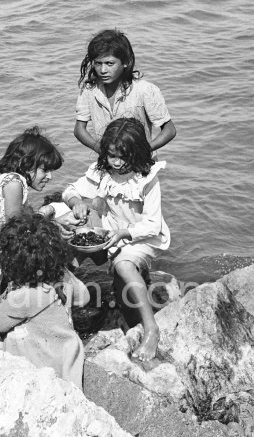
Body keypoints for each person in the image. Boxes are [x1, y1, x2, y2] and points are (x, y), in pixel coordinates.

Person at [62, 117, 170, 361]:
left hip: (141, 237)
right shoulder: (103, 172)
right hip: (111, 235)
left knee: (123, 266)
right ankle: (58, 306)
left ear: (137, 152)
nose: (117, 163)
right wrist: (77, 203)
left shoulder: (147, 178)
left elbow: (153, 224)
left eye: (123, 157)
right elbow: (70, 190)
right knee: (76, 242)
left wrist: (124, 233)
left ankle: (152, 329)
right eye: (111, 156)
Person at [0, 208, 89, 388]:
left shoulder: (24, 296)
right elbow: (85, 298)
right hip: (67, 351)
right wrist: (63, 270)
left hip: (42, 361)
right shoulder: (62, 276)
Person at [74, 29, 176, 154]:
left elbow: (169, 129)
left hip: (141, 165)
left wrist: (143, 151)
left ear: (125, 62)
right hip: (108, 163)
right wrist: (101, 149)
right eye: (98, 63)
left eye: (109, 63)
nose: (103, 70)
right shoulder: (89, 91)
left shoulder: (144, 90)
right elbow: (79, 129)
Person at [0, 126, 71, 244]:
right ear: (25, 164)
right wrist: (52, 231)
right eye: (45, 170)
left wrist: (51, 223)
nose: (49, 177)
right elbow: (15, 229)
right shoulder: (14, 183)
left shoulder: (10, 180)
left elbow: (26, 221)